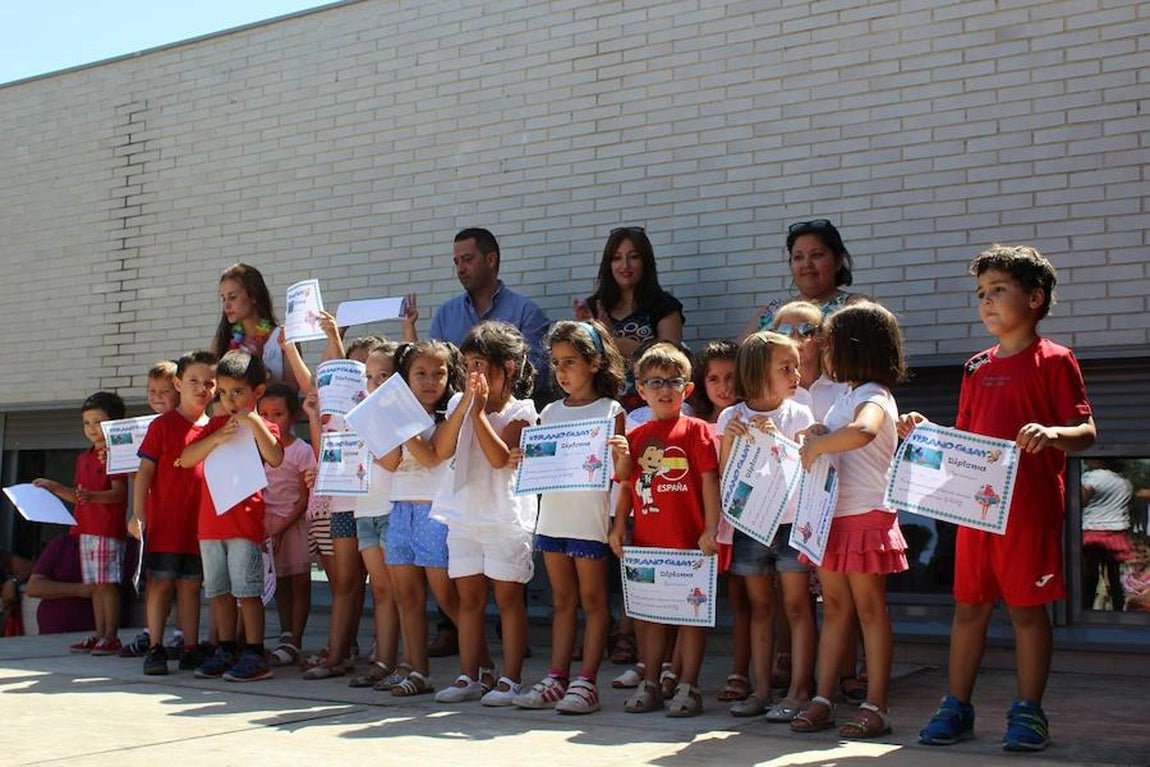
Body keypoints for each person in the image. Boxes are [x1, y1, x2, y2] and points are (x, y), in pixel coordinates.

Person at [907, 245, 1095, 752]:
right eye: (981, 293)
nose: (986, 301)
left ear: (1034, 298)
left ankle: (1029, 711)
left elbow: (1086, 431)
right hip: (975, 512)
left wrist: (1053, 433)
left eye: (998, 290)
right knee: (969, 607)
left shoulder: (1056, 360)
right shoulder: (974, 367)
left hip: (1028, 512)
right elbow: (965, 440)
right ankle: (956, 707)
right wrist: (926, 432)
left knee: (1027, 612)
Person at [792, 302, 909, 739]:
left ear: (854, 347)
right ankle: (823, 698)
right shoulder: (848, 394)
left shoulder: (873, 394)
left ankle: (876, 705)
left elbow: (864, 431)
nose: (824, 350)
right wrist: (819, 435)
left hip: (865, 516)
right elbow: (843, 435)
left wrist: (819, 446)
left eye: (830, 343)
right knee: (836, 608)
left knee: (869, 610)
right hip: (832, 517)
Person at [510, 320, 628, 715]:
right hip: (553, 519)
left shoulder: (611, 410)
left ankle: (587, 682)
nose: (561, 371)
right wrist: (523, 459)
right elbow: (540, 464)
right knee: (562, 601)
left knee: (594, 602)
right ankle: (556, 677)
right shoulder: (549, 411)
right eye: (556, 362)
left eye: (570, 362)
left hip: (589, 519)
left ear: (594, 362)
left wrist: (622, 459)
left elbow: (622, 475)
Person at [609, 343, 720, 717]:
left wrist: (711, 527)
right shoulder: (637, 437)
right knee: (650, 617)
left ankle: (689, 685)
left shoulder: (697, 430)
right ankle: (652, 682)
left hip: (691, 544)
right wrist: (618, 527)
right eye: (655, 382)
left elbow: (709, 481)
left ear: (687, 389)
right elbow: (626, 485)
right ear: (641, 389)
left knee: (692, 616)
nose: (665, 389)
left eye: (674, 381)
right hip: (648, 545)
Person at [431, 321, 538, 706]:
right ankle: (469, 676)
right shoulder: (459, 404)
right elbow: (441, 450)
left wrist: (476, 413)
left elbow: (498, 458)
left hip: (504, 516)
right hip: (463, 514)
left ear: (507, 366)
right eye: (468, 365)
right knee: (469, 599)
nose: (472, 374)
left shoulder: (522, 411)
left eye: (480, 364)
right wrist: (465, 408)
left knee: (508, 598)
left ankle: (511, 679)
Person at [717, 332, 816, 720]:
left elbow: (809, 466)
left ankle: (798, 691)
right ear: (759, 371)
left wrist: (782, 442)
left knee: (797, 606)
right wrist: (730, 441)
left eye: (796, 367)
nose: (796, 375)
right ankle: (760, 690)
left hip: (791, 523)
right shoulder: (730, 417)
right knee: (760, 607)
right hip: (750, 525)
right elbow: (725, 476)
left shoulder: (800, 413)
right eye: (786, 368)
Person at [178, 350, 284, 682]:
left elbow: (276, 457)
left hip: (243, 525)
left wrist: (253, 421)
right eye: (222, 392)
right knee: (219, 592)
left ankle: (254, 652)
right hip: (210, 526)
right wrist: (215, 437)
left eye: (237, 391)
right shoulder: (213, 425)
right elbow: (185, 458)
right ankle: (225, 648)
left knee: (247, 592)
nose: (229, 400)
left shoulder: (263, 426)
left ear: (257, 391)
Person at [383, 340, 466, 697]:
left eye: (439, 373)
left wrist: (400, 427)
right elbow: (390, 462)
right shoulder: (397, 415)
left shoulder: (450, 416)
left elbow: (432, 457)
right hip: (400, 507)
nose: (431, 381)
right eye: (420, 373)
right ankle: (418, 671)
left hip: (436, 510)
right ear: (405, 378)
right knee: (407, 596)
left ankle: (481, 666)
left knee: (447, 596)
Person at [132, 351, 219, 674]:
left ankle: (191, 647)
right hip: (165, 522)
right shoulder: (162, 425)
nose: (201, 388)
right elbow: (144, 473)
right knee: (161, 584)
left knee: (191, 586)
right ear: (179, 384)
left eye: (209, 382)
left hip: (201, 524)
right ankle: (155, 647)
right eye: (193, 381)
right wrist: (137, 514)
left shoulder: (216, 427)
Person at [34, 391, 128, 656]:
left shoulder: (115, 454)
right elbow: (79, 497)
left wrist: (93, 497)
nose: (91, 428)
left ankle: (111, 636)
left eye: (98, 422)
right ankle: (99, 635)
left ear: (114, 423)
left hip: (107, 529)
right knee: (96, 585)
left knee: (107, 584)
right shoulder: (83, 458)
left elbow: (120, 493)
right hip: (85, 529)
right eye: (87, 423)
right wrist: (53, 487)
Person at [688, 341, 754, 705]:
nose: (723, 386)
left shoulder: (751, 419)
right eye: (713, 378)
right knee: (688, 599)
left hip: (743, 523)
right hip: (697, 524)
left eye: (731, 377)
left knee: (744, 600)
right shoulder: (693, 423)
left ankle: (741, 671)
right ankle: (675, 671)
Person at [575, 227, 685, 411]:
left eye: (633, 257)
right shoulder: (594, 306)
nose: (625, 265)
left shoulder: (664, 306)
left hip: (654, 408)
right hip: (603, 409)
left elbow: (671, 361)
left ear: (645, 261)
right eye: (617, 258)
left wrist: (612, 340)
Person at [345, 339, 403, 689]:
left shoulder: (399, 414)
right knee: (380, 590)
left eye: (384, 375)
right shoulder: (360, 415)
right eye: (369, 376)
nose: (375, 383)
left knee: (399, 591)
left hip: (391, 509)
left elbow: (392, 461)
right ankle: (383, 660)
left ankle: (402, 662)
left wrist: (366, 439)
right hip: (364, 509)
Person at [430, 227, 551, 381]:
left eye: (467, 259)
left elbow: (535, 375)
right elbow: (432, 368)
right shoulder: (445, 315)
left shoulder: (526, 313)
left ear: (491, 260)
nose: (460, 269)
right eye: (457, 262)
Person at [258, 381, 316, 667]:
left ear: (293, 417)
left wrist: (281, 528)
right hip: (266, 524)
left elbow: (304, 497)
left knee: (300, 582)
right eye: (263, 415)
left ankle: (296, 639)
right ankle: (285, 633)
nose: (270, 421)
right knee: (279, 581)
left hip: (293, 523)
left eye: (278, 414)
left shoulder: (301, 451)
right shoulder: (257, 450)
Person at [742, 219, 864, 338]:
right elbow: (738, 351)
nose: (807, 264)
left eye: (816, 255)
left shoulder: (855, 307)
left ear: (838, 261)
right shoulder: (768, 313)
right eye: (798, 257)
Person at [211, 263, 293, 386]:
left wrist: (258, 370)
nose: (226, 305)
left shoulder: (283, 337)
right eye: (223, 298)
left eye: (232, 297)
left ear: (253, 296)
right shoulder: (223, 341)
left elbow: (292, 390)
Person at [1080, 459, 1134, 611]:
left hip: (1093, 531)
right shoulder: (1124, 481)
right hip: (1118, 532)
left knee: (1090, 576)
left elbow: (1079, 501)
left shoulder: (1093, 477)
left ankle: (1086, 609)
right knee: (1114, 577)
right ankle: (1118, 609)